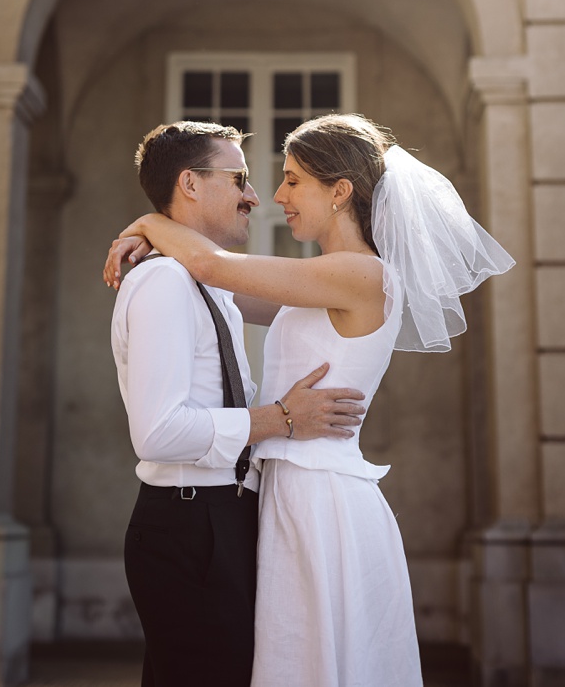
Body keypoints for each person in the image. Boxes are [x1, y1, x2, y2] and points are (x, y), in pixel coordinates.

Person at [105, 113, 514, 687]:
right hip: (285, 492)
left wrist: (149, 220)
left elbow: (211, 267)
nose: (276, 195)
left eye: (293, 180)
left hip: (321, 497)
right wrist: (158, 237)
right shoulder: (319, 281)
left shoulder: (362, 275)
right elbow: (212, 285)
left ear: (340, 191)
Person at [110, 121, 370, 687]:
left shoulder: (215, 283)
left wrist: (152, 224)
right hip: (187, 523)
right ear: (191, 184)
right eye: (240, 179)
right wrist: (280, 419)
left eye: (285, 180)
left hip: (228, 517)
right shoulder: (164, 285)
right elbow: (157, 433)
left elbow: (224, 273)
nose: (259, 196)